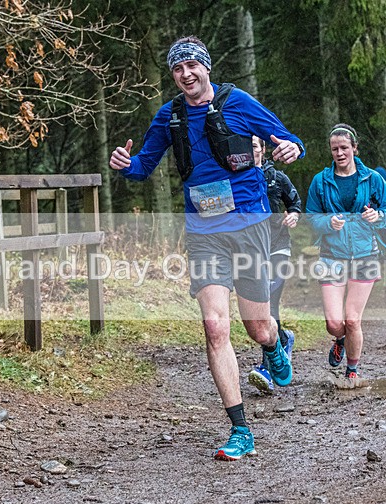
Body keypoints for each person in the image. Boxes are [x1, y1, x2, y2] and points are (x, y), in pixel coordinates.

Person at [109, 36, 305, 460]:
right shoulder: (170, 115)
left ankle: (275, 344)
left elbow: (286, 139)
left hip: (250, 226)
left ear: (207, 68)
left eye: (193, 66)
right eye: (178, 69)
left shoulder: (239, 102)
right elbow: (144, 165)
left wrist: (291, 147)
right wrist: (127, 166)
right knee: (216, 327)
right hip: (203, 233)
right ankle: (240, 429)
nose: (186, 74)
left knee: (257, 327)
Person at [305, 124, 386, 388]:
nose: (340, 153)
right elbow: (311, 216)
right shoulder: (320, 181)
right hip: (332, 255)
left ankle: (353, 370)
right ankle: (340, 341)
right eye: (335, 149)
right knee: (335, 323)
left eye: (344, 147)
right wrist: (327, 223)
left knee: (352, 319)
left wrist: (377, 216)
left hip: (365, 255)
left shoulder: (373, 179)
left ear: (355, 148)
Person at [248, 136, 302, 393]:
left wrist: (293, 215)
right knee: (262, 308)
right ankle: (282, 340)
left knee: (269, 302)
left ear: (263, 149)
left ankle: (267, 368)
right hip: (252, 252)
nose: (251, 151)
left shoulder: (277, 178)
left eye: (255, 147)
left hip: (278, 247)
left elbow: (295, 202)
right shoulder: (239, 179)